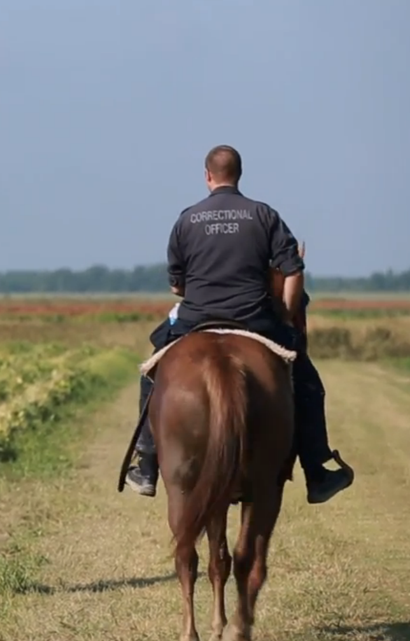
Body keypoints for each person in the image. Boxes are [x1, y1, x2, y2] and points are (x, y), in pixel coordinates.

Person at [124, 145, 353, 505]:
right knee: (305, 379)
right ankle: (316, 470)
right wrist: (285, 314)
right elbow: (293, 271)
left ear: (207, 175)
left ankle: (148, 463)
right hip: (255, 319)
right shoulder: (263, 215)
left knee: (152, 371)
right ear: (239, 174)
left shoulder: (187, 219)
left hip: (196, 318)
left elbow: (177, 285)